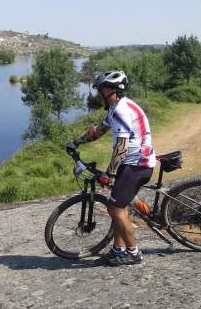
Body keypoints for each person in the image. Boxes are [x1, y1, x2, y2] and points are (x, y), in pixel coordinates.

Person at [67, 70, 156, 266]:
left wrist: (110, 173)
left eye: (102, 89)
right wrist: (77, 142)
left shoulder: (121, 110)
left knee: (115, 209)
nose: (99, 92)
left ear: (112, 90)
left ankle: (133, 253)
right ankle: (118, 249)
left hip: (136, 165)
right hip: (133, 163)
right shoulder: (115, 108)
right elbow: (99, 131)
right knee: (118, 207)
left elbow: (122, 147)